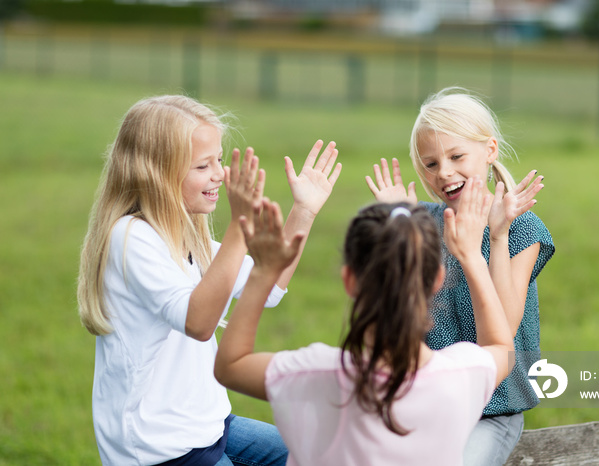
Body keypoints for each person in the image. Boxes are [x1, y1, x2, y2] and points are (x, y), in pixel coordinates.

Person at [77, 94, 342, 465]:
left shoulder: (191, 236)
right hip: (161, 446)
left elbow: (269, 288)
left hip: (210, 423)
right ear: (157, 173)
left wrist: (304, 211)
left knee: (314, 452)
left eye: (219, 159)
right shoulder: (131, 237)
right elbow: (198, 323)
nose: (220, 173)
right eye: (203, 165)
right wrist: (238, 225)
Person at [213, 177, 516, 465]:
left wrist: (263, 273)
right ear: (437, 278)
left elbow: (231, 365)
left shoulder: (315, 373)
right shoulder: (462, 374)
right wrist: (472, 256)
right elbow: (501, 346)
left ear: (349, 281)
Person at [365, 87, 555, 466]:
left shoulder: (522, 228)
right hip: (426, 406)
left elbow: (504, 329)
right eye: (431, 164)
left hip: (492, 410)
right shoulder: (424, 224)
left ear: (489, 150)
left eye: (456, 156)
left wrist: (497, 236)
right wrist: (395, 236)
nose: (444, 172)